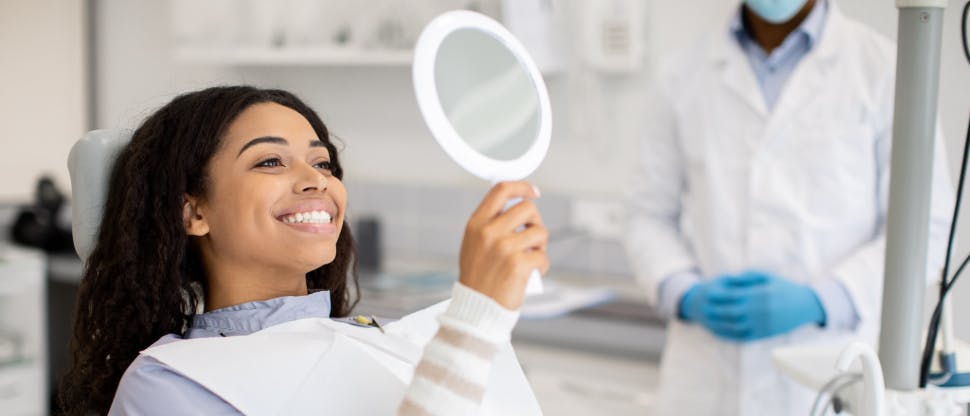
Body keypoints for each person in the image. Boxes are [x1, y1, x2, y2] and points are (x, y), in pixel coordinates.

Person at [58, 86, 549, 415]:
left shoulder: (383, 344)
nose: (317, 179)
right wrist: (474, 319)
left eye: (324, 162)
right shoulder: (169, 389)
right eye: (271, 161)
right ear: (194, 212)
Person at [625, 0, 953, 414]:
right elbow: (646, 215)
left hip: (832, 367)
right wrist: (684, 292)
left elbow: (927, 228)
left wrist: (824, 301)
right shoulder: (681, 74)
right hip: (704, 377)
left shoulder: (886, 69)